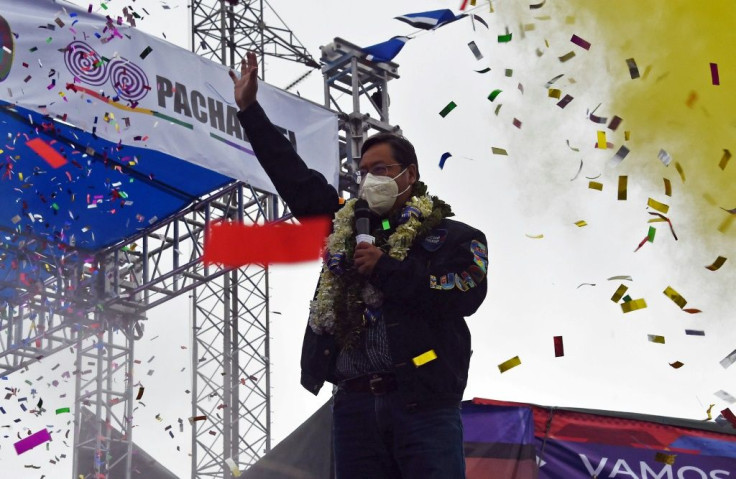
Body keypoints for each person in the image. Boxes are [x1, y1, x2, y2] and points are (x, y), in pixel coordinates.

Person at [230, 52, 488, 479]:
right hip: (353, 406)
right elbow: (293, 176)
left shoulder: (456, 237)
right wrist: (249, 111)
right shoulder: (345, 226)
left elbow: (465, 293)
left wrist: (386, 267)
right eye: (362, 170)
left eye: (381, 169)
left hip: (422, 403)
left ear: (410, 173)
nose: (369, 179)